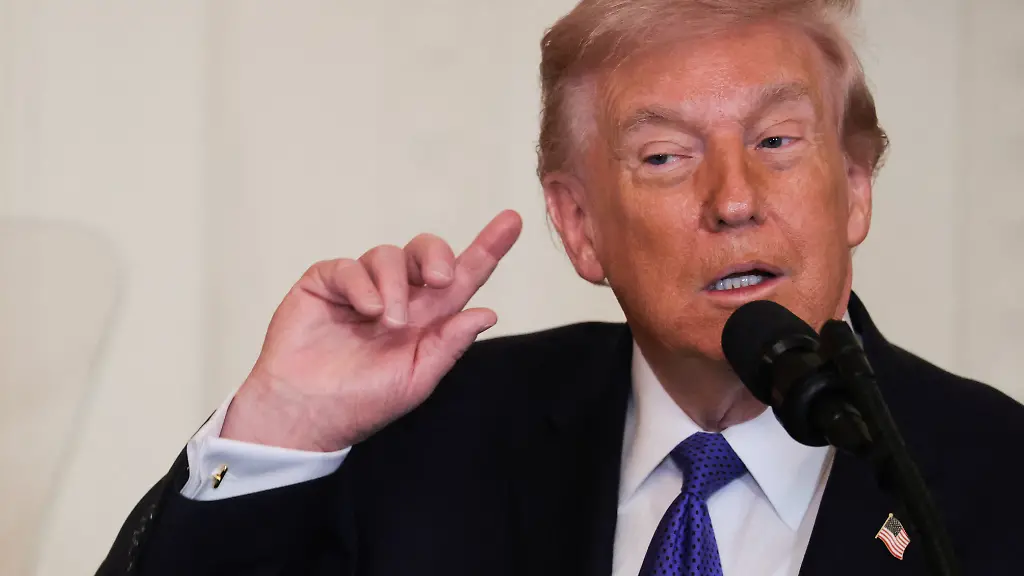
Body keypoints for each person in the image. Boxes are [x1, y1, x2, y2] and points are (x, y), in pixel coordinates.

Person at [98, 0, 1024, 574]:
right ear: (580, 226)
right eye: (665, 156)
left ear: (855, 188)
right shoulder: (429, 442)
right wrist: (283, 432)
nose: (734, 199)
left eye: (777, 142)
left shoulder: (997, 477)